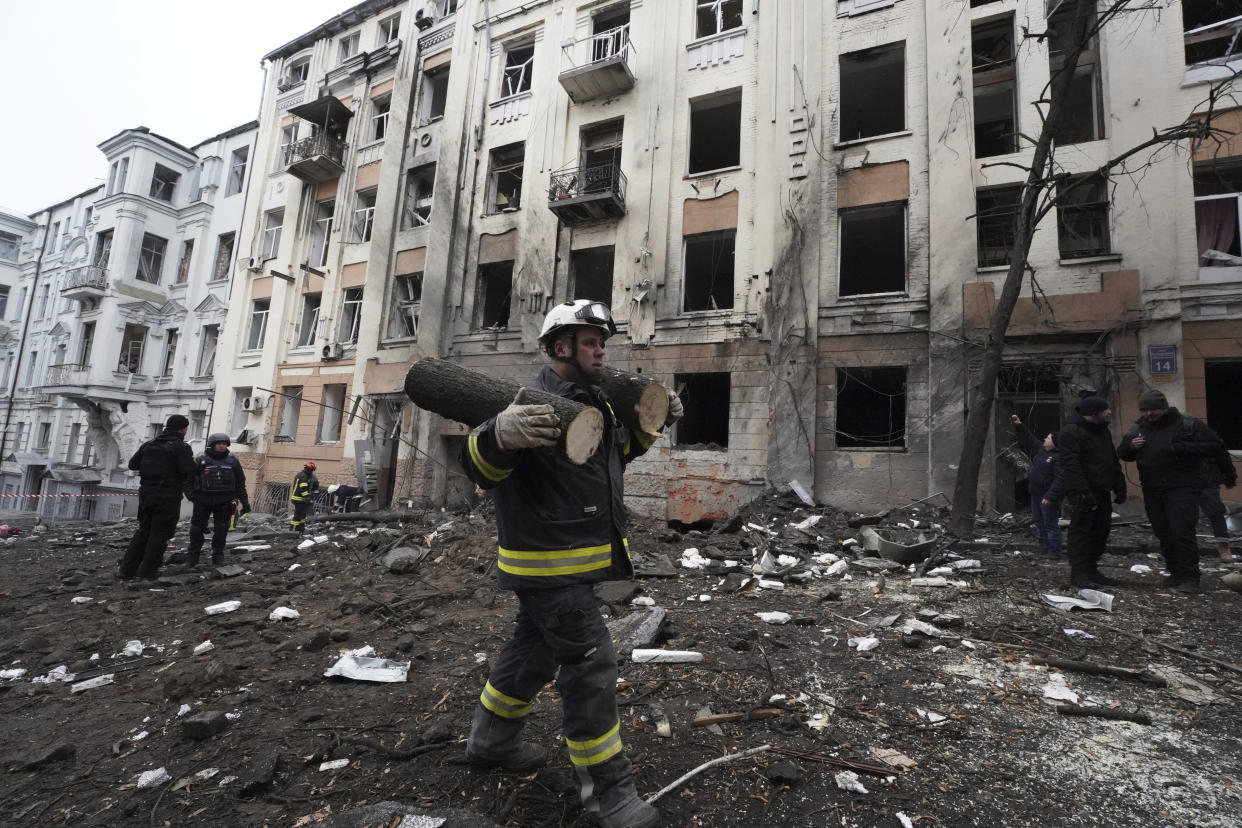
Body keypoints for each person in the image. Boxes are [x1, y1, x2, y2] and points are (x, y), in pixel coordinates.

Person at [459, 300, 680, 828]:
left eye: (602, 341)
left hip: (572, 562)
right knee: (591, 665)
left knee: (532, 652)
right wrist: (498, 434)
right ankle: (610, 797)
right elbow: (479, 465)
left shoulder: (595, 403)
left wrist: (653, 423)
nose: (601, 349)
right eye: (589, 341)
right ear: (560, 347)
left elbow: (613, 457)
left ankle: (489, 742)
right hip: (548, 565)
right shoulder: (529, 403)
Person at [1118, 389, 1226, 594]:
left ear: (1164, 407)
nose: (1149, 414)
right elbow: (1123, 453)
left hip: (1182, 488)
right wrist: (1130, 446)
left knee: (1182, 530)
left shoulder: (1188, 426)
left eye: (1154, 409)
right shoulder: (1140, 428)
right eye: (1145, 410)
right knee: (1163, 531)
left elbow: (1216, 446)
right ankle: (1175, 572)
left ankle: (1190, 578)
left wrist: (1182, 448)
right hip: (1152, 489)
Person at [1055, 395, 1126, 588]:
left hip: (1102, 490)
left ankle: (1091, 569)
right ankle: (1079, 573)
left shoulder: (1102, 431)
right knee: (1082, 533)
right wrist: (1081, 491)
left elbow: (1111, 459)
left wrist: (1119, 484)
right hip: (1083, 493)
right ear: (1095, 413)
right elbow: (1071, 464)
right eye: (1105, 410)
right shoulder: (1071, 432)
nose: (1109, 412)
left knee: (1101, 532)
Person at [119, 414, 196, 582]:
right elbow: (188, 471)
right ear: (183, 429)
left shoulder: (149, 444)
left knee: (143, 531)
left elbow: (133, 464)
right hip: (167, 496)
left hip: (146, 494)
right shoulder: (180, 447)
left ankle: (126, 570)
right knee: (159, 534)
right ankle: (148, 572)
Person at [186, 433, 250, 568]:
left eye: (224, 444)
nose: (222, 446)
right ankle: (192, 558)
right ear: (212, 444)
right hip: (202, 501)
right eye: (219, 443)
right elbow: (188, 479)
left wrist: (245, 502)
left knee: (221, 530)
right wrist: (192, 496)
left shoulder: (233, 461)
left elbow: (240, 483)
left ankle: (218, 557)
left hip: (224, 501)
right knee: (196, 530)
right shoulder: (200, 460)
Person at [1010, 414, 1063, 556]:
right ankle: (1044, 548)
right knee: (1039, 522)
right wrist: (1019, 425)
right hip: (1035, 493)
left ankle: (1054, 551)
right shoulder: (1042, 451)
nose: (1045, 439)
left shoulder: (1058, 458)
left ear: (1054, 443)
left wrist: (1050, 496)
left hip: (1047, 496)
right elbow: (1030, 439)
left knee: (1050, 523)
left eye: (1048, 438)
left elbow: (1060, 479)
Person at [1200, 442, 1237, 562]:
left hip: (1208, 480)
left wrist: (1230, 476)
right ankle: (1181, 550)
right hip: (1184, 481)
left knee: (1215, 511)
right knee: (1182, 514)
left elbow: (1222, 456)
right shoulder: (1173, 433)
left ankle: (1224, 547)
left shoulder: (1205, 435)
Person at [290, 462, 319, 533]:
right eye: (311, 470)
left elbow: (314, 486)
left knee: (302, 515)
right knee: (298, 514)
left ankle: (300, 529)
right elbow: (303, 489)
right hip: (298, 499)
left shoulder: (303, 474)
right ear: (309, 469)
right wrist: (309, 498)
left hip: (300, 499)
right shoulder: (304, 476)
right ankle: (293, 530)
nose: (312, 472)